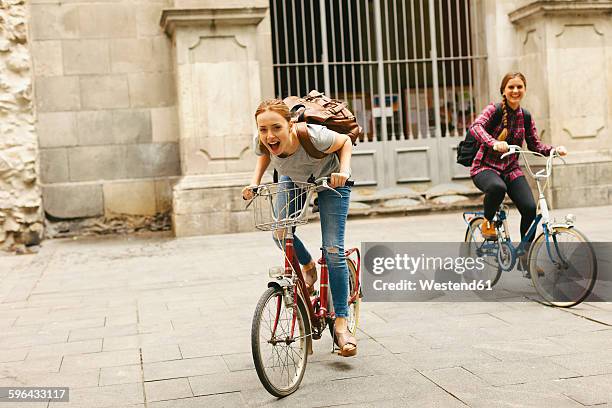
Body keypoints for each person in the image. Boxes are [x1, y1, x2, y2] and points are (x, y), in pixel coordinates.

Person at [242, 99, 357, 357]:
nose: (269, 135)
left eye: (276, 128)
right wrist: (254, 183)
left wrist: (345, 171)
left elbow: (345, 142)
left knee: (333, 249)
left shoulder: (314, 136)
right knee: (280, 233)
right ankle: (307, 266)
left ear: (290, 125)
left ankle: (341, 323)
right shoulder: (263, 140)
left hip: (332, 179)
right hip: (293, 179)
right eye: (263, 129)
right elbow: (264, 154)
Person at [469, 72, 567, 267]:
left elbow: (535, 145)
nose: (515, 91)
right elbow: (476, 127)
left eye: (519, 87)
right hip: (485, 167)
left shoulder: (526, 116)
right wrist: (494, 142)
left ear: (524, 89)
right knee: (497, 188)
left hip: (511, 169)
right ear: (503, 90)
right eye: (511, 87)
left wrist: (554, 150)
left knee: (530, 209)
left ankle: (525, 257)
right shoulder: (494, 109)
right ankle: (488, 222)